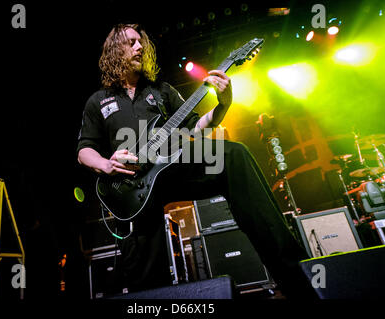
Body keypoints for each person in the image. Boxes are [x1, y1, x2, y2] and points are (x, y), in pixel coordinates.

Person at [77, 23, 317, 299]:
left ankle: (294, 275)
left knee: (232, 155)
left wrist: (223, 102)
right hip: (131, 189)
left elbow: (194, 127)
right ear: (114, 50)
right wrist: (107, 164)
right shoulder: (98, 101)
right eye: (131, 42)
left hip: (168, 170)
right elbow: (85, 151)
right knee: (146, 277)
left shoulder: (161, 90)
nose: (139, 46)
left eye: (140, 42)